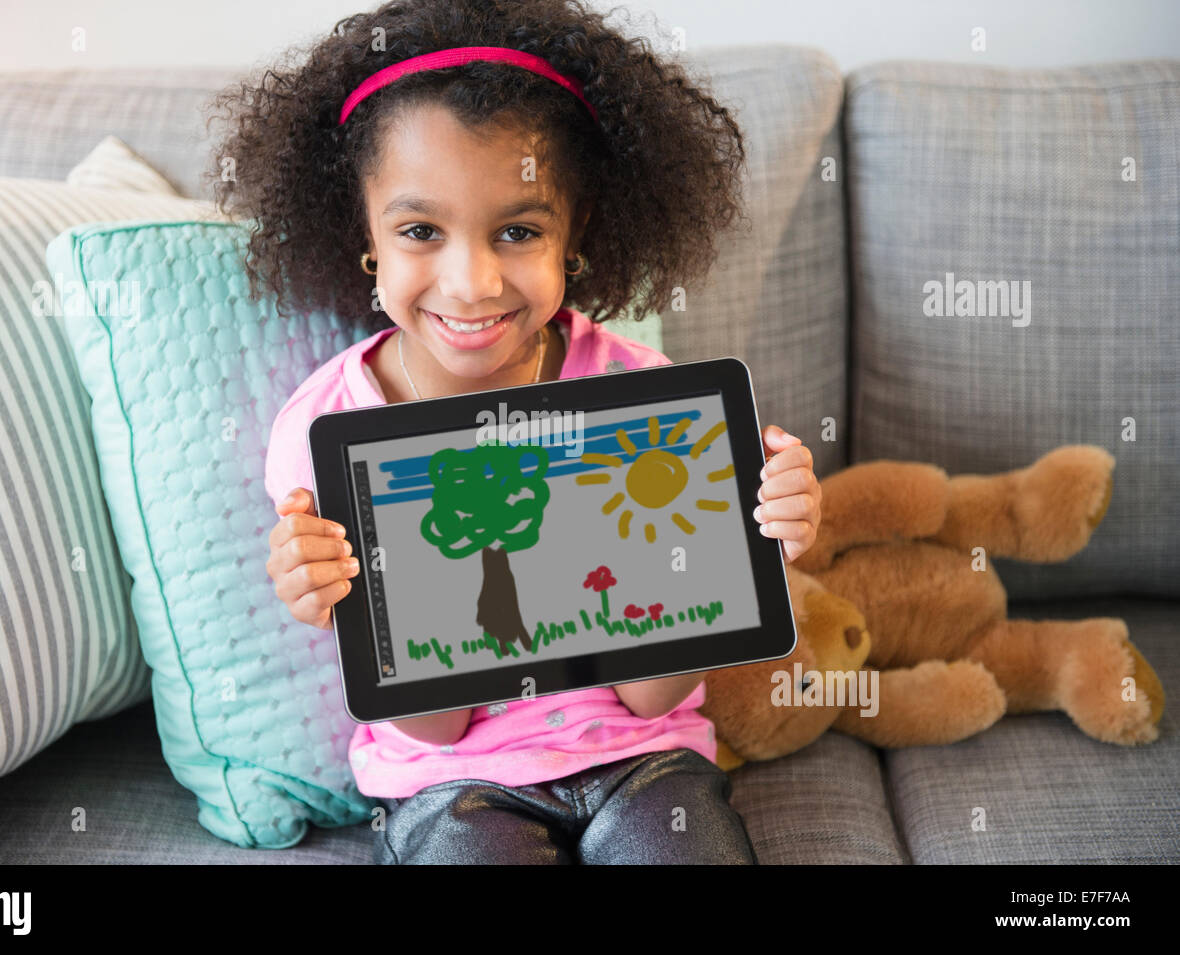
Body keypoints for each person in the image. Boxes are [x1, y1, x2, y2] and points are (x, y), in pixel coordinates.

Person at [216, 0, 822, 863]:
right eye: (420, 230)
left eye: (518, 230)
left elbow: (653, 701)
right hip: (448, 783)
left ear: (576, 233)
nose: (470, 283)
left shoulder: (643, 400)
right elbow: (438, 722)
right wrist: (351, 608)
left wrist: (744, 550)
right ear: (365, 237)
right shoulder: (324, 433)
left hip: (644, 761)